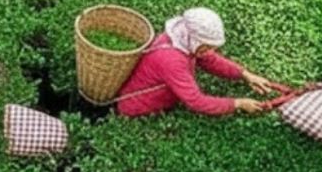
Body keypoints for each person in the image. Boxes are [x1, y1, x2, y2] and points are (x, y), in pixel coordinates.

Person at [116, 8, 275, 117]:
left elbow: (210, 60)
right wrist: (238, 103)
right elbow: (197, 102)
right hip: (139, 109)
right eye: (207, 46)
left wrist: (246, 75)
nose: (209, 51)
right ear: (194, 39)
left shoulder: (182, 38)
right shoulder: (170, 60)